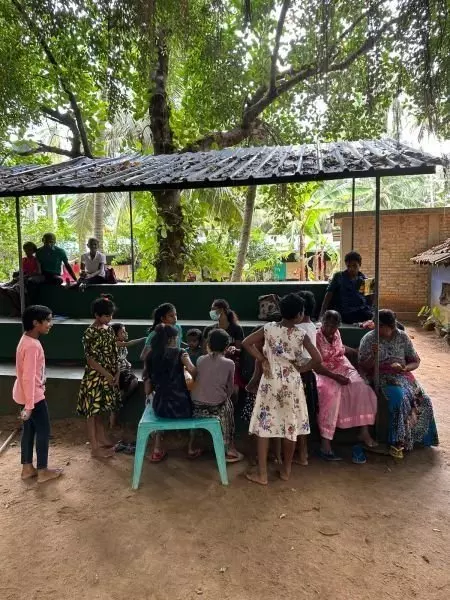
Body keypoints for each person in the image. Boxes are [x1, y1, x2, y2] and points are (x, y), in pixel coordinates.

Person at [243, 294, 322, 485]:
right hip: (292, 382)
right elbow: (318, 359)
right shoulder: (300, 334)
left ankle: (262, 475)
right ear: (300, 315)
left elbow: (246, 342)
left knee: (264, 426)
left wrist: (262, 360)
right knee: (291, 426)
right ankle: (286, 471)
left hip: (270, 381)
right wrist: (301, 368)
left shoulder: (269, 328)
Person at [359, 309, 439, 458]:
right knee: (399, 397)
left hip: (403, 375)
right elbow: (363, 365)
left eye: (380, 326)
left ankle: (419, 439)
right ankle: (396, 441)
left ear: (389, 326)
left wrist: (404, 368)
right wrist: (374, 356)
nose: (377, 328)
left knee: (424, 400)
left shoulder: (402, 337)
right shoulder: (369, 339)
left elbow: (415, 361)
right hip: (381, 376)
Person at [315, 310, 378, 461]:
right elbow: (316, 364)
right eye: (327, 325)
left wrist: (357, 352)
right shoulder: (315, 336)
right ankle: (326, 443)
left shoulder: (337, 334)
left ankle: (364, 431)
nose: (330, 329)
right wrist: (335, 377)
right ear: (322, 323)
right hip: (323, 370)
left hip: (342, 366)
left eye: (334, 326)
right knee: (330, 394)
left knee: (361, 387)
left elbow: (341, 350)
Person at [13, 305, 63, 483]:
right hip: (33, 397)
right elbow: (28, 376)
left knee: (29, 429)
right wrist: (30, 405)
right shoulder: (33, 346)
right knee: (43, 430)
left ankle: (27, 468)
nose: (51, 324)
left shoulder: (25, 340)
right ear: (36, 323)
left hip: (23, 394)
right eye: (48, 320)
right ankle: (43, 470)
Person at [77, 295, 121, 458]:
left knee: (101, 409)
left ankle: (102, 438)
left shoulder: (109, 329)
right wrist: (107, 374)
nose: (109, 318)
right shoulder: (89, 333)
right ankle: (94, 448)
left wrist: (116, 372)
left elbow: (114, 351)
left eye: (111, 315)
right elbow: (90, 359)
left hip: (108, 375)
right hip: (95, 377)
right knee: (92, 413)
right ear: (96, 315)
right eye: (106, 315)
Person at [190, 329, 243, 463]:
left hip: (196, 404)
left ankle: (192, 446)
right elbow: (230, 389)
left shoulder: (201, 359)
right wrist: (225, 397)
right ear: (226, 346)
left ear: (208, 344)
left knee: (222, 402)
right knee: (228, 405)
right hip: (215, 406)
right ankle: (228, 447)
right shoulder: (229, 363)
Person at [145, 324, 196, 462]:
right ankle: (191, 448)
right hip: (181, 406)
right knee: (197, 406)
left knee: (155, 407)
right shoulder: (180, 352)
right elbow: (193, 370)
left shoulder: (150, 355)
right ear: (172, 339)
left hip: (160, 407)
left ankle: (157, 449)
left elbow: (148, 380)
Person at [319, 251, 373, 324]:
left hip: (361, 312)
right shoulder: (338, 276)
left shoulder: (366, 280)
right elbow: (328, 296)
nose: (351, 269)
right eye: (349, 266)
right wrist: (321, 315)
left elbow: (370, 302)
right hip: (344, 312)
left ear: (360, 265)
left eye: (354, 266)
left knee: (373, 315)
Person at [109, 323, 146, 429]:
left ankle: (117, 403)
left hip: (124, 371)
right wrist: (142, 339)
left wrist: (127, 362)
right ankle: (118, 402)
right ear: (115, 336)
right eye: (122, 332)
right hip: (117, 372)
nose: (125, 333)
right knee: (133, 381)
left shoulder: (122, 346)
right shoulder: (116, 343)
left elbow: (123, 357)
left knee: (131, 383)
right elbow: (129, 344)